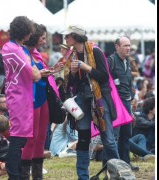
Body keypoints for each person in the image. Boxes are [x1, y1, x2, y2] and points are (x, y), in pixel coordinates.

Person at [62, 25, 120, 179]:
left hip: (99, 98)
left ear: (75, 37)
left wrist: (86, 67)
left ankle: (117, 174)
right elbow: (73, 83)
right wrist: (73, 73)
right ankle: (83, 176)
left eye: (68, 36)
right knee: (83, 138)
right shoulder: (72, 54)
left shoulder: (95, 51)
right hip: (82, 99)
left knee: (108, 138)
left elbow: (104, 77)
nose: (65, 39)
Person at [1, 16, 42, 180]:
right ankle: (14, 175)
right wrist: (33, 68)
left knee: (19, 139)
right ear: (25, 33)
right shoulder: (17, 50)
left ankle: (16, 174)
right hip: (20, 98)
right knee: (18, 140)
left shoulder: (8, 46)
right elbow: (36, 74)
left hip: (16, 95)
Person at [21, 23, 60, 179]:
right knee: (31, 138)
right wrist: (43, 73)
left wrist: (54, 69)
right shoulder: (22, 53)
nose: (45, 41)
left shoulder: (36, 53)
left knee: (42, 137)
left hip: (43, 97)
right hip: (32, 98)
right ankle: (25, 174)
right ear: (34, 37)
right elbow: (27, 76)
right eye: (42, 37)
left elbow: (42, 73)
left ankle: (37, 175)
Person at [107, 36, 139, 171]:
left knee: (126, 134)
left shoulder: (127, 61)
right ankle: (113, 164)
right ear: (117, 47)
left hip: (126, 102)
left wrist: (133, 97)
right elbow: (105, 81)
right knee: (114, 136)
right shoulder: (111, 61)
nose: (128, 48)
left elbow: (128, 82)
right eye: (125, 45)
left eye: (129, 45)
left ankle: (125, 163)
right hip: (116, 103)